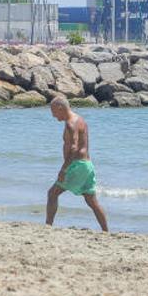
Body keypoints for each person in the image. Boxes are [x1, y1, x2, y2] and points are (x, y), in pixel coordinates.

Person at [45, 96, 109, 232]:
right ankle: (106, 231)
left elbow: (74, 148)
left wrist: (63, 170)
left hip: (77, 165)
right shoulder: (80, 120)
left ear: (60, 108)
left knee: (52, 193)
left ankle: (48, 227)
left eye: (53, 111)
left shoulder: (70, 123)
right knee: (91, 201)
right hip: (87, 164)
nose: (53, 115)